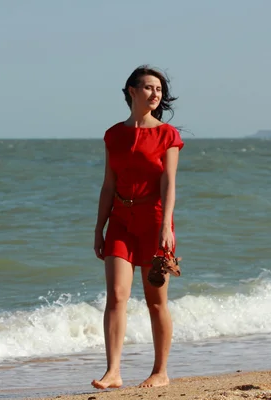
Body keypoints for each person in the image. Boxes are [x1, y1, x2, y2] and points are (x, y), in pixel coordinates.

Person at [92, 65, 184, 389]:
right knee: (116, 295)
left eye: (158, 89)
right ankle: (113, 372)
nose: (155, 94)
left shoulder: (167, 135)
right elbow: (107, 185)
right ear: (131, 91)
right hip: (120, 220)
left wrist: (166, 227)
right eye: (148, 88)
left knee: (155, 300)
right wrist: (99, 228)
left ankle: (160, 371)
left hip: (155, 221)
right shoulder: (113, 135)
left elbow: (169, 183)